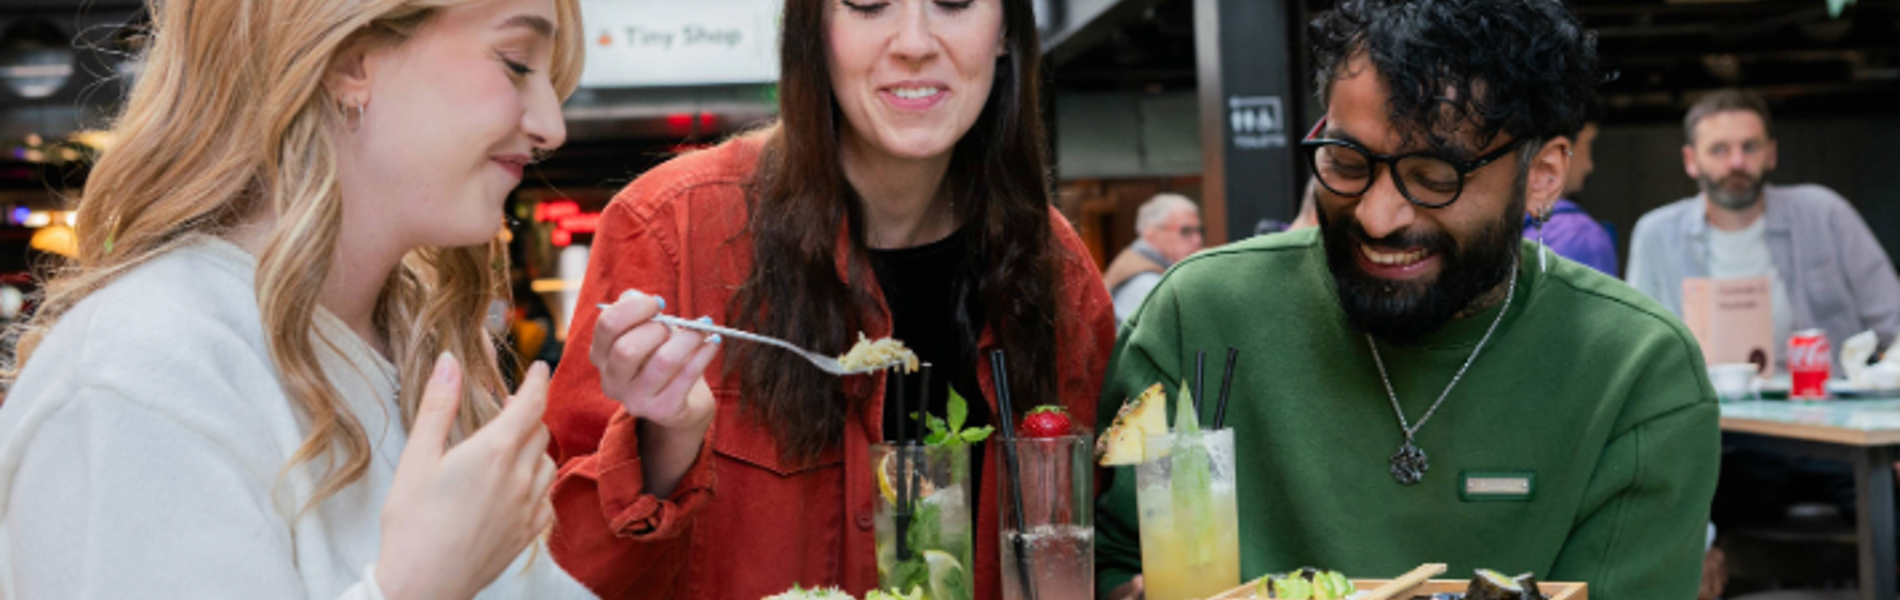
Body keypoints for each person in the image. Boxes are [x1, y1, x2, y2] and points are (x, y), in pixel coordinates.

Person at [1094, 0, 1719, 598]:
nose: (1377, 215)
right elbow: (1109, 559)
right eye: (1346, 162)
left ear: (1542, 176)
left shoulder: (1638, 372)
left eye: (1433, 176)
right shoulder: (1200, 315)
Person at [0, 0, 621, 598]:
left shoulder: (398, 344)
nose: (551, 126)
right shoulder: (144, 369)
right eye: (514, 61)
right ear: (351, 59)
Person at [540, 0, 1117, 598]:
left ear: (1005, 34)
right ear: (813, 32)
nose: (913, 42)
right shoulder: (670, 229)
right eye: (868, 4)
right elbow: (560, 572)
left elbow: (1091, 543)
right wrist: (661, 450)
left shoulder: (1056, 270)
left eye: (954, 1)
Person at [1627, 89, 1900, 372]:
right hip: (1701, 408)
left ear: (1771, 153)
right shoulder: (1656, 234)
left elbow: (1894, 322)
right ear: (1691, 160)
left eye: (1750, 147)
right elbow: (1637, 346)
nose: (1737, 162)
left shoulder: (1824, 213)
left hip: (1822, 410)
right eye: (1719, 149)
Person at [1523, 102, 1618, 276]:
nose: (1590, 166)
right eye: (1588, 143)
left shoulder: (1484, 229)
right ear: (1557, 153)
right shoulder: (1581, 236)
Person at [1104, 193, 1204, 323]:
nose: (1198, 240)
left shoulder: (1139, 263)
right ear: (1152, 232)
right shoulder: (1147, 283)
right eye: (1186, 231)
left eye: (1199, 231)